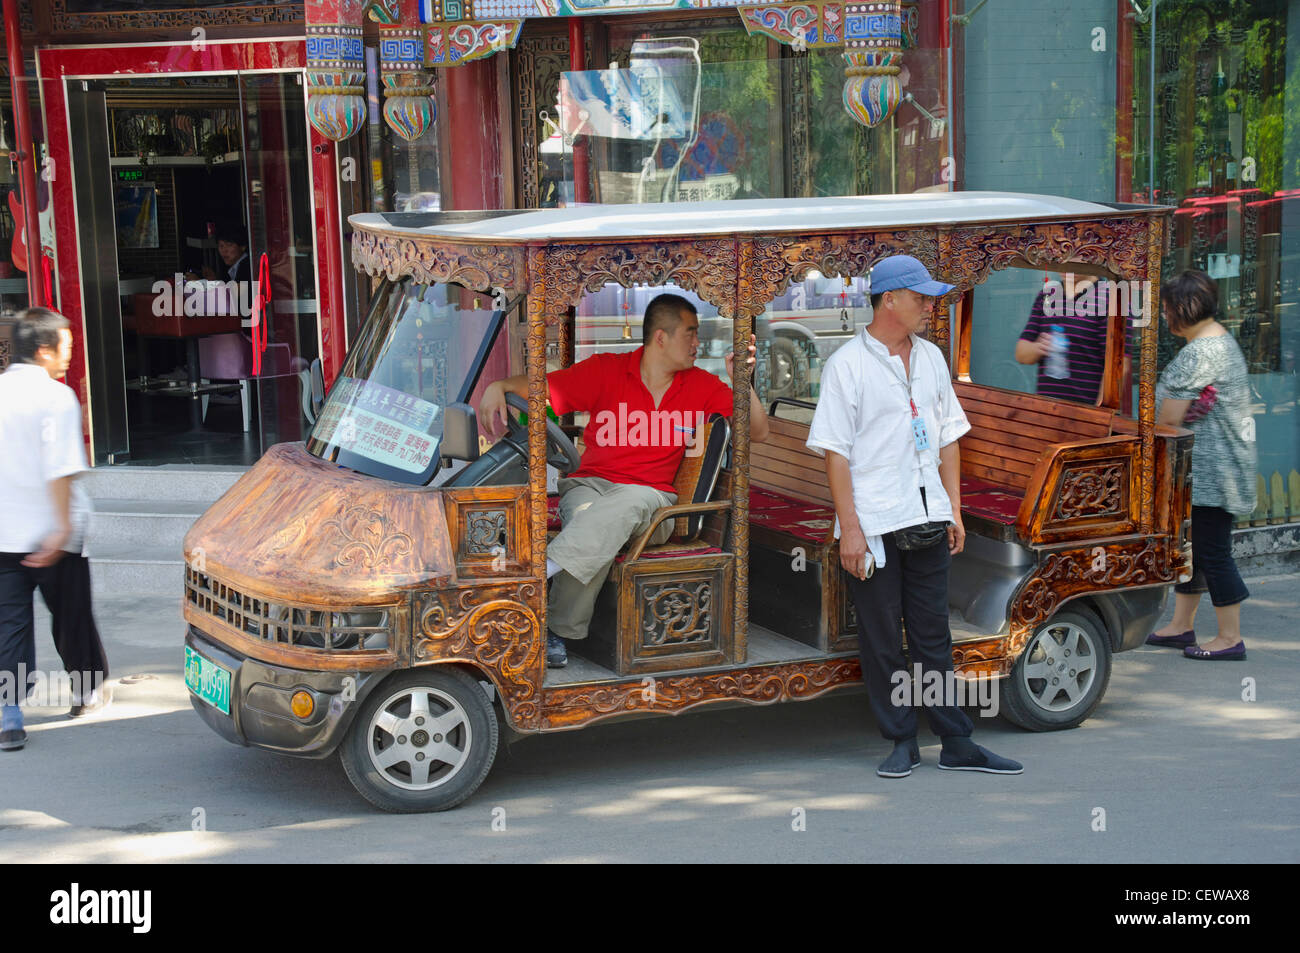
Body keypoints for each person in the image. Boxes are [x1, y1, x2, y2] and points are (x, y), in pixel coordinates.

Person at [807, 255, 1022, 778]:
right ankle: (901, 738)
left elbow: (948, 437)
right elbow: (836, 453)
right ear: (889, 300)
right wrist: (850, 531)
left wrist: (954, 509)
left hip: (927, 514)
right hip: (875, 524)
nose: (930, 306)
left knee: (932, 636)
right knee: (883, 637)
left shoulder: (929, 358)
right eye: (921, 297)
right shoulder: (847, 365)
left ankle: (955, 739)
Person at [479, 293, 769, 668]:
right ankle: (557, 628)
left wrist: (742, 381)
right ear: (661, 338)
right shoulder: (607, 370)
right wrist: (497, 386)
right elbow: (541, 389)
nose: (699, 344)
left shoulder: (703, 386)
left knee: (623, 505)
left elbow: (758, 431)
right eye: (690, 334)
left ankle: (538, 576)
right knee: (594, 520)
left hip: (653, 504)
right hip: (589, 487)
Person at [0, 308, 111, 752]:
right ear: (43, 351)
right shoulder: (56, 397)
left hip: (4, 535)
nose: (69, 355)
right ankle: (85, 692)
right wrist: (62, 530)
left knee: (9, 626)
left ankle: (9, 715)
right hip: (54, 536)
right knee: (71, 617)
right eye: (65, 346)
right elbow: (61, 471)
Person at [1146, 270, 1256, 660]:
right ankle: (1182, 626)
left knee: (1211, 551)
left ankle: (1230, 638)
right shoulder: (1217, 340)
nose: (1161, 315)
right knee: (1192, 549)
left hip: (1212, 473)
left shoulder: (1201, 352)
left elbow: (1169, 418)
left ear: (1181, 310)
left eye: (1164, 308)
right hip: (1212, 469)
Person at [1015, 272, 1127, 403]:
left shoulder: (1112, 300)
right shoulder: (1046, 295)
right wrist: (1039, 348)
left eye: (1075, 255)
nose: (1066, 263)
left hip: (1084, 414)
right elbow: (1021, 353)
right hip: (1044, 410)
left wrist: (1099, 416)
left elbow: (1118, 367)